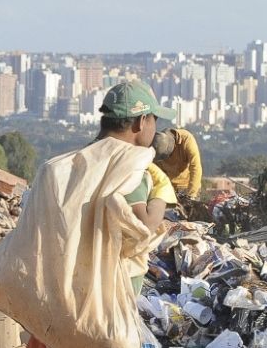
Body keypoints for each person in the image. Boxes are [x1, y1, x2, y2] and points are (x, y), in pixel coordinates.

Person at [25, 80, 177, 348]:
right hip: (105, 310)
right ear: (141, 122)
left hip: (61, 301)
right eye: (154, 120)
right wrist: (161, 192)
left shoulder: (68, 165)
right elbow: (143, 226)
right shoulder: (128, 168)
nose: (155, 129)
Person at [154, 127, 203, 200]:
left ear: (173, 144)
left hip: (187, 187)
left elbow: (195, 167)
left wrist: (191, 195)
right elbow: (155, 172)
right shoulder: (157, 144)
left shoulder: (186, 139)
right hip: (169, 189)